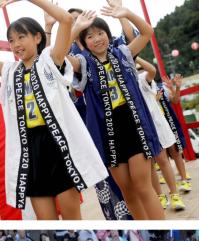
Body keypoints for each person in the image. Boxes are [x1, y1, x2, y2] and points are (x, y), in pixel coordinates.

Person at [0, 0, 106, 219]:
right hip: (30, 150)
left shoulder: (50, 61)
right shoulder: (10, 71)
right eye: (11, 40)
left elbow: (65, 19)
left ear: (37, 37)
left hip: (58, 145)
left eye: (21, 37)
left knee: (73, 218)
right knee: (46, 221)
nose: (16, 44)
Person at [74, 6, 165, 219]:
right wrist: (74, 27)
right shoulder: (83, 65)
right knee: (127, 191)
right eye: (90, 36)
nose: (97, 39)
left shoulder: (123, 53)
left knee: (143, 186)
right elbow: (54, 58)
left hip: (133, 124)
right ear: (83, 42)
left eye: (100, 33)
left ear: (108, 35)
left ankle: (160, 230)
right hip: (107, 131)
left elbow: (147, 33)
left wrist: (127, 14)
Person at [134, 57, 185, 212]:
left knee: (163, 159)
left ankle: (174, 194)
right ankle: (160, 196)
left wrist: (134, 54)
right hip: (138, 125)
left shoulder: (143, 78)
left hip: (156, 123)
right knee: (150, 164)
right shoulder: (123, 79)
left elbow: (152, 70)